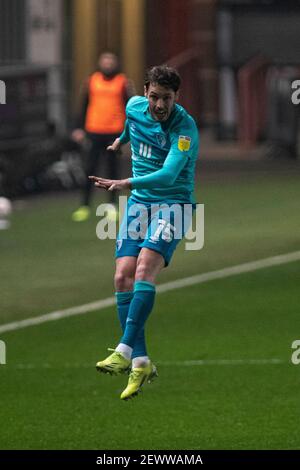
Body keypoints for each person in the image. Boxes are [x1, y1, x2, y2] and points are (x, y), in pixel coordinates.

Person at [89, 65, 199, 400]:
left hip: (173, 204)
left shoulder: (185, 128)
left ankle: (123, 348)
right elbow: (131, 121)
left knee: (143, 269)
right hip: (139, 204)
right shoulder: (134, 106)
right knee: (122, 276)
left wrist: (125, 182)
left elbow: (168, 175)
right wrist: (122, 139)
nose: (160, 105)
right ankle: (140, 361)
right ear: (146, 92)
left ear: (176, 97)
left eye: (167, 98)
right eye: (155, 96)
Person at [71, 52, 135, 222]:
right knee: (89, 168)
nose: (107, 63)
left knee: (112, 169)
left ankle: (112, 206)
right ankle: (84, 205)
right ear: (100, 63)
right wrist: (78, 128)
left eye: (111, 60)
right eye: (105, 60)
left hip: (114, 132)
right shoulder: (92, 81)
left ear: (116, 63)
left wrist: (130, 130)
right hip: (94, 130)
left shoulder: (123, 82)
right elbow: (83, 105)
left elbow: (131, 106)